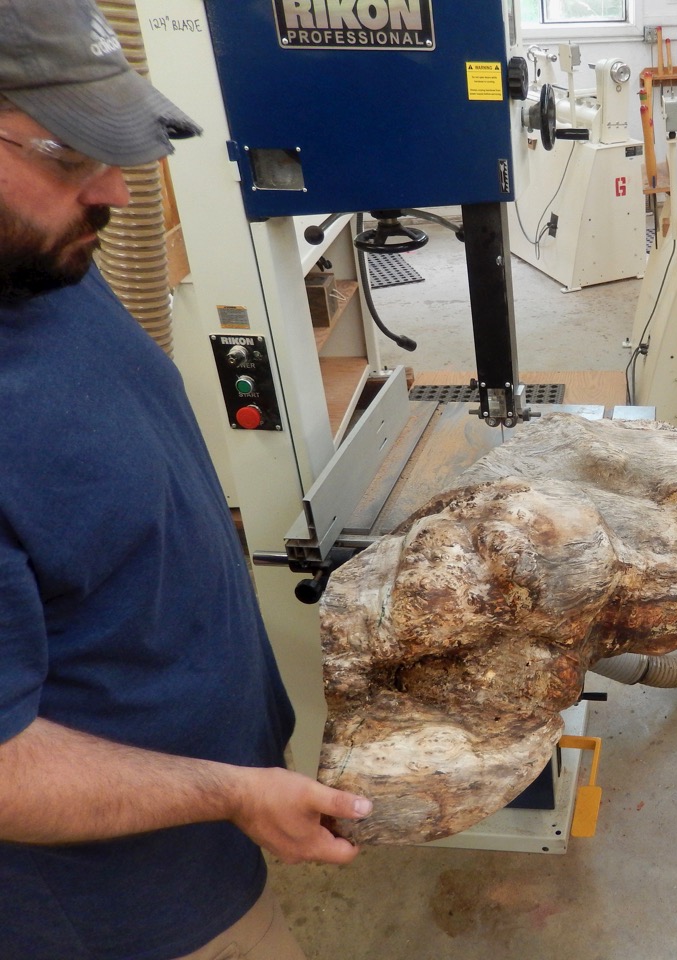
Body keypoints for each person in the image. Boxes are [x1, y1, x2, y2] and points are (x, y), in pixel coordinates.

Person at [0, 2, 373, 957]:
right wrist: (231, 791)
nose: (117, 196)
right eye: (69, 155)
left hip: (208, 818)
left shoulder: (39, 263)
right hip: (118, 904)